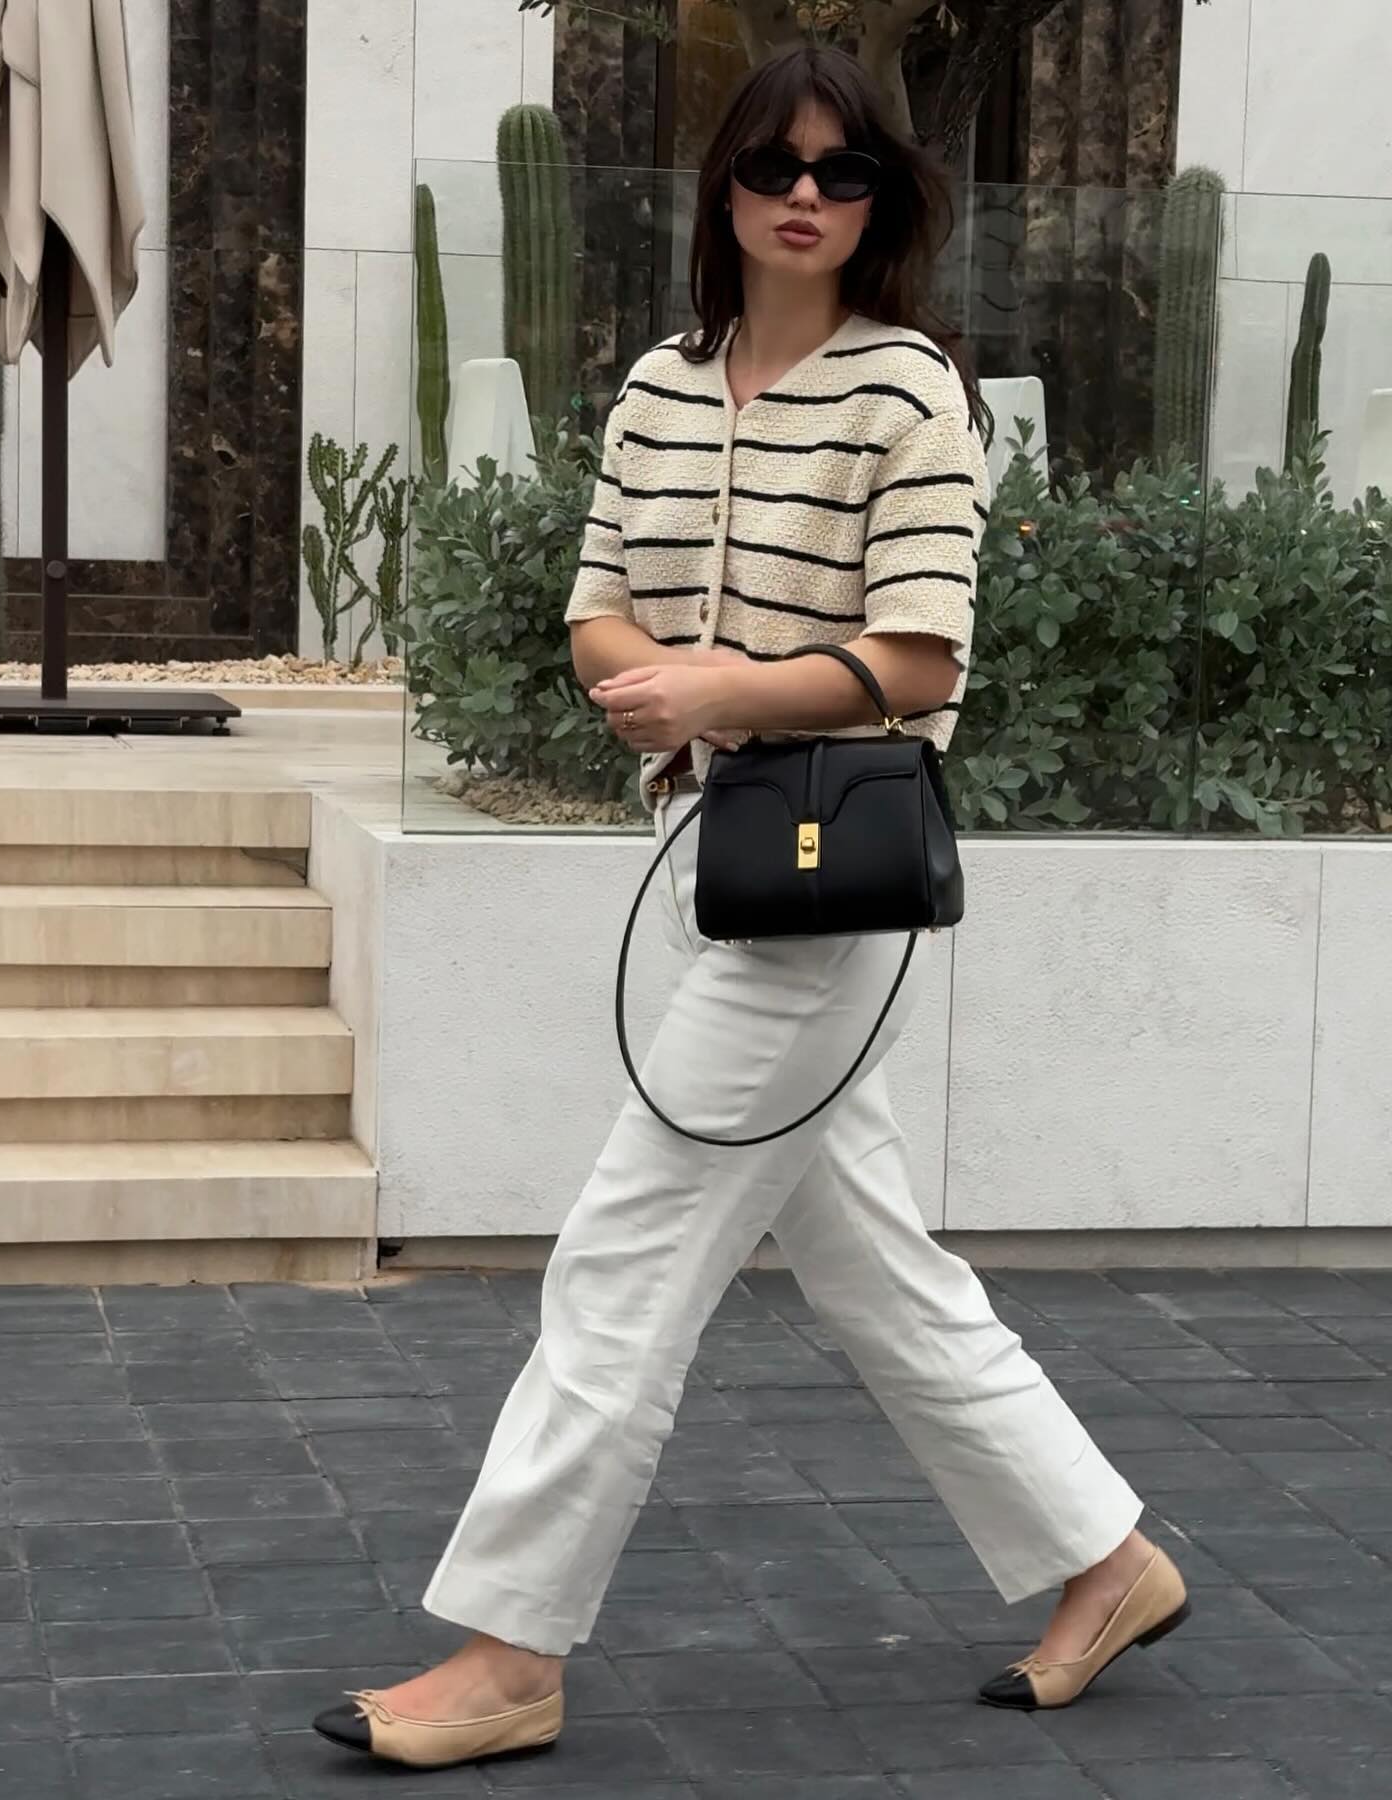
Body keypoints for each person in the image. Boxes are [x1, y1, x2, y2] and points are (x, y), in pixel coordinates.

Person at [313, 41, 1188, 1773]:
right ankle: (1109, 1560)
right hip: (716, 855)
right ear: (722, 190)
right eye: (776, 168)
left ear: (884, 200)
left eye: (843, 170)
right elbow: (594, 616)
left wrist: (718, 687)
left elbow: (922, 655)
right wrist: (669, 682)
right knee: (875, 1272)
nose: (806, 196)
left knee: (621, 1256)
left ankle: (510, 1653)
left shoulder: (910, 390)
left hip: (830, 883)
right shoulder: (659, 383)